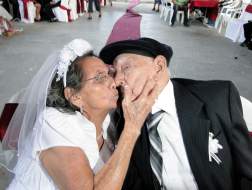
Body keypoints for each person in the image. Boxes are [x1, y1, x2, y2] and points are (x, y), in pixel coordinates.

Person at [0, 39, 159, 189]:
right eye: (99, 77)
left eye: (109, 73)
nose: (113, 82)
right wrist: (132, 129)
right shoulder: (55, 122)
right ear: (74, 96)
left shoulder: (108, 121)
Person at [99, 37, 252, 190]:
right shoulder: (124, 121)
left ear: (159, 66)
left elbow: (247, 172)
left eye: (126, 68)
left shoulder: (217, 99)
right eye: (114, 72)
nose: (117, 80)